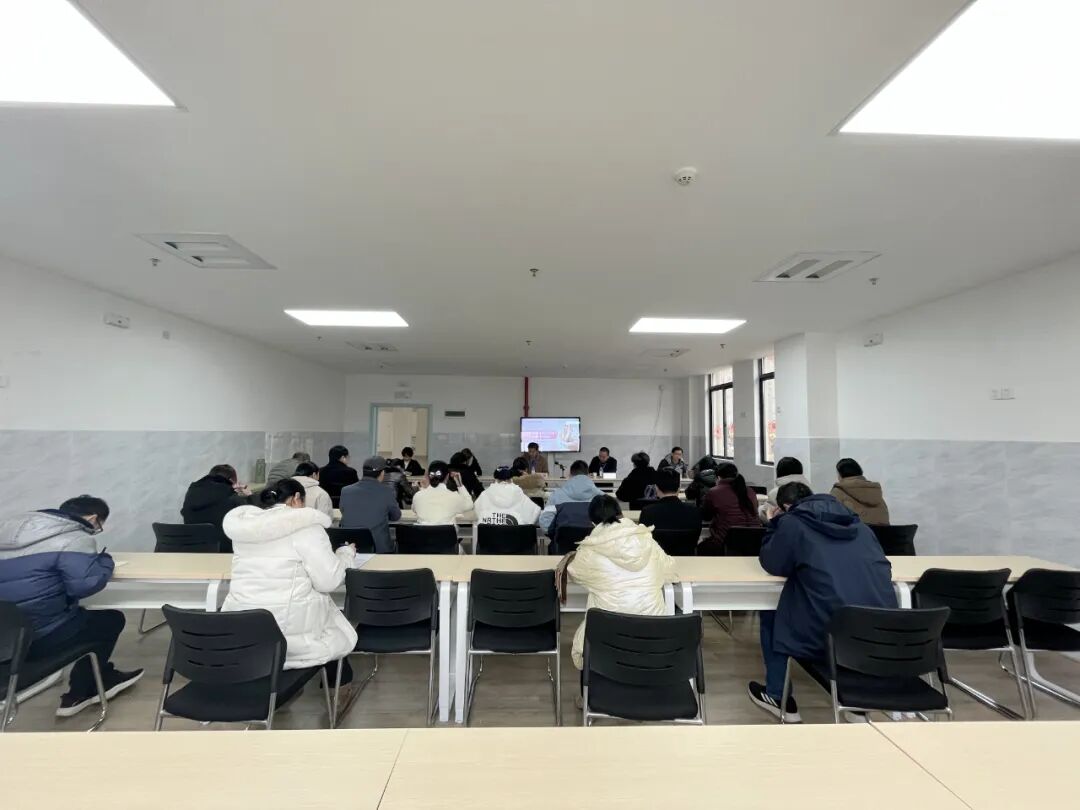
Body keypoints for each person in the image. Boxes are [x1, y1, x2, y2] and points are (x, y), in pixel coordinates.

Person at [747, 482, 897, 723]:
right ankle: (856, 702)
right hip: (877, 628)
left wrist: (774, 523)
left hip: (826, 630)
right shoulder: (860, 526)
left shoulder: (792, 523)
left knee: (772, 612)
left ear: (785, 506)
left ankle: (778, 696)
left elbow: (774, 563)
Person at [0, 496, 143, 718]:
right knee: (109, 620)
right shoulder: (74, 538)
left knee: (84, 616)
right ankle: (81, 691)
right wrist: (105, 560)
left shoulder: (7, 532)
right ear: (93, 519)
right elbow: (86, 585)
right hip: (38, 639)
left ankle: (100, 677)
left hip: (5, 638)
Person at [222, 479, 356, 686]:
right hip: (289, 637)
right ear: (296, 499)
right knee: (333, 621)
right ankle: (338, 684)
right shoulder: (307, 529)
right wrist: (346, 554)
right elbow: (329, 581)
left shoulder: (245, 530)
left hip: (243, 629)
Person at [566, 496, 676, 669]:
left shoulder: (590, 550)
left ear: (593, 523)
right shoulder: (647, 541)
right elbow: (669, 570)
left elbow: (574, 573)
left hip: (607, 642)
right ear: (621, 514)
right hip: (653, 639)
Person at [181, 463, 251, 553]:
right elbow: (254, 520)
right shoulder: (233, 499)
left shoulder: (192, 492)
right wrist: (249, 496)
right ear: (231, 481)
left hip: (192, 551)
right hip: (225, 553)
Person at [338, 457, 402, 553]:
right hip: (379, 549)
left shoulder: (345, 490)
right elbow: (396, 516)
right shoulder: (387, 491)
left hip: (350, 548)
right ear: (382, 473)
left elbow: (343, 511)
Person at [700, 462, 760, 555]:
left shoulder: (714, 492)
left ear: (718, 477)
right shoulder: (750, 491)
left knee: (700, 548)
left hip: (726, 542)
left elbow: (706, 516)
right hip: (754, 541)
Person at [539, 460, 603, 542]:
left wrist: (556, 536)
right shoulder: (602, 497)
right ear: (588, 475)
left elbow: (545, 523)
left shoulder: (556, 495)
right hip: (593, 546)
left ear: (570, 475)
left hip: (562, 546)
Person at [473, 466, 542, 525]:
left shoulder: (486, 494)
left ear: (495, 479)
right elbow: (535, 513)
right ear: (511, 479)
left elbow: (476, 513)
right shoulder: (518, 493)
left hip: (490, 536)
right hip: (515, 536)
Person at [640, 468, 702, 533]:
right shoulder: (695, 512)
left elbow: (642, 537)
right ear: (679, 488)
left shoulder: (647, 512)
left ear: (656, 488)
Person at [830, 459, 890, 525]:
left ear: (840, 474)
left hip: (855, 531)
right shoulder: (874, 490)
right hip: (882, 531)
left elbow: (831, 521)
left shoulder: (838, 491)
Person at [761, 456, 812, 521]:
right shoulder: (808, 489)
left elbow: (768, 516)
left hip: (785, 525)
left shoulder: (775, 492)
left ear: (779, 472)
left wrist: (760, 509)